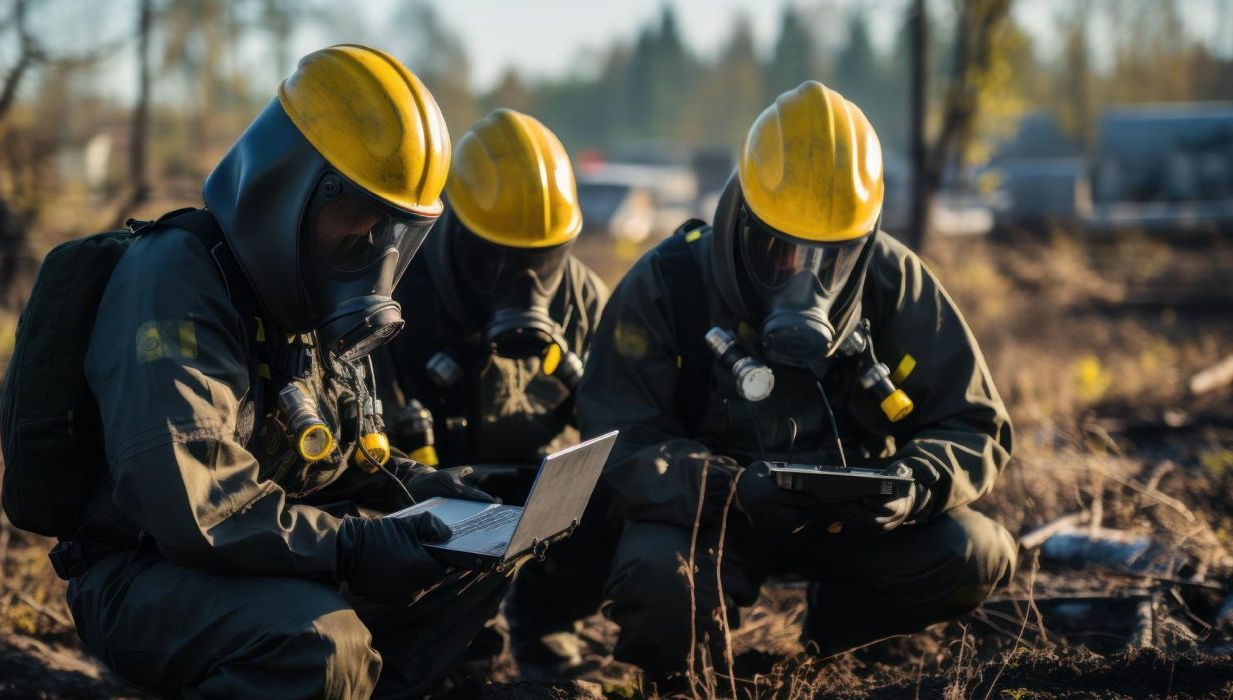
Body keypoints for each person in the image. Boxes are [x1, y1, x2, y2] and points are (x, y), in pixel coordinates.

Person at [60, 45, 507, 698]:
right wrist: (352, 548)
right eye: (359, 214)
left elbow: (351, 458)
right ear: (292, 183)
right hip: (143, 571)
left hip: (260, 554)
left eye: (392, 229)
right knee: (321, 647)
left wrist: (457, 496)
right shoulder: (175, 280)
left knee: (470, 566)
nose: (373, 244)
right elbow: (195, 505)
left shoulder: (304, 293)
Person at [578, 81, 1017, 681]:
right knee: (660, 583)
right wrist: (727, 490)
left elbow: (973, 422)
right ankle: (693, 682)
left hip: (857, 524)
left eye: (829, 259)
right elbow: (615, 442)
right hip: (718, 520)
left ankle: (834, 647)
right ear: (741, 219)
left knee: (975, 552)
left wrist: (912, 484)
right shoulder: (669, 285)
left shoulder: (892, 282)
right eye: (777, 251)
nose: (801, 278)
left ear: (860, 247)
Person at [370, 108, 611, 675]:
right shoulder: (395, 290)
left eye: (541, 261)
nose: (523, 281)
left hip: (541, 492)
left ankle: (548, 623)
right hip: (428, 490)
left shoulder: (583, 300)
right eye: (500, 260)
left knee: (628, 489)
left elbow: (622, 421)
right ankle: (448, 638)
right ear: (455, 229)